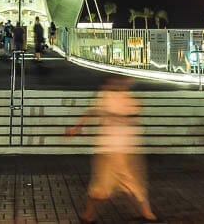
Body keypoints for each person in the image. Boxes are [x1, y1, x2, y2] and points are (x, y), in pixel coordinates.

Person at [65, 74, 157, 224]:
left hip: (125, 148)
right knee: (107, 186)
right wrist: (76, 127)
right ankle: (87, 216)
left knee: (129, 185)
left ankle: (147, 215)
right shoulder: (107, 96)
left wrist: (77, 127)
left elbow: (130, 115)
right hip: (111, 149)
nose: (126, 83)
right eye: (123, 80)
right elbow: (93, 111)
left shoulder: (127, 98)